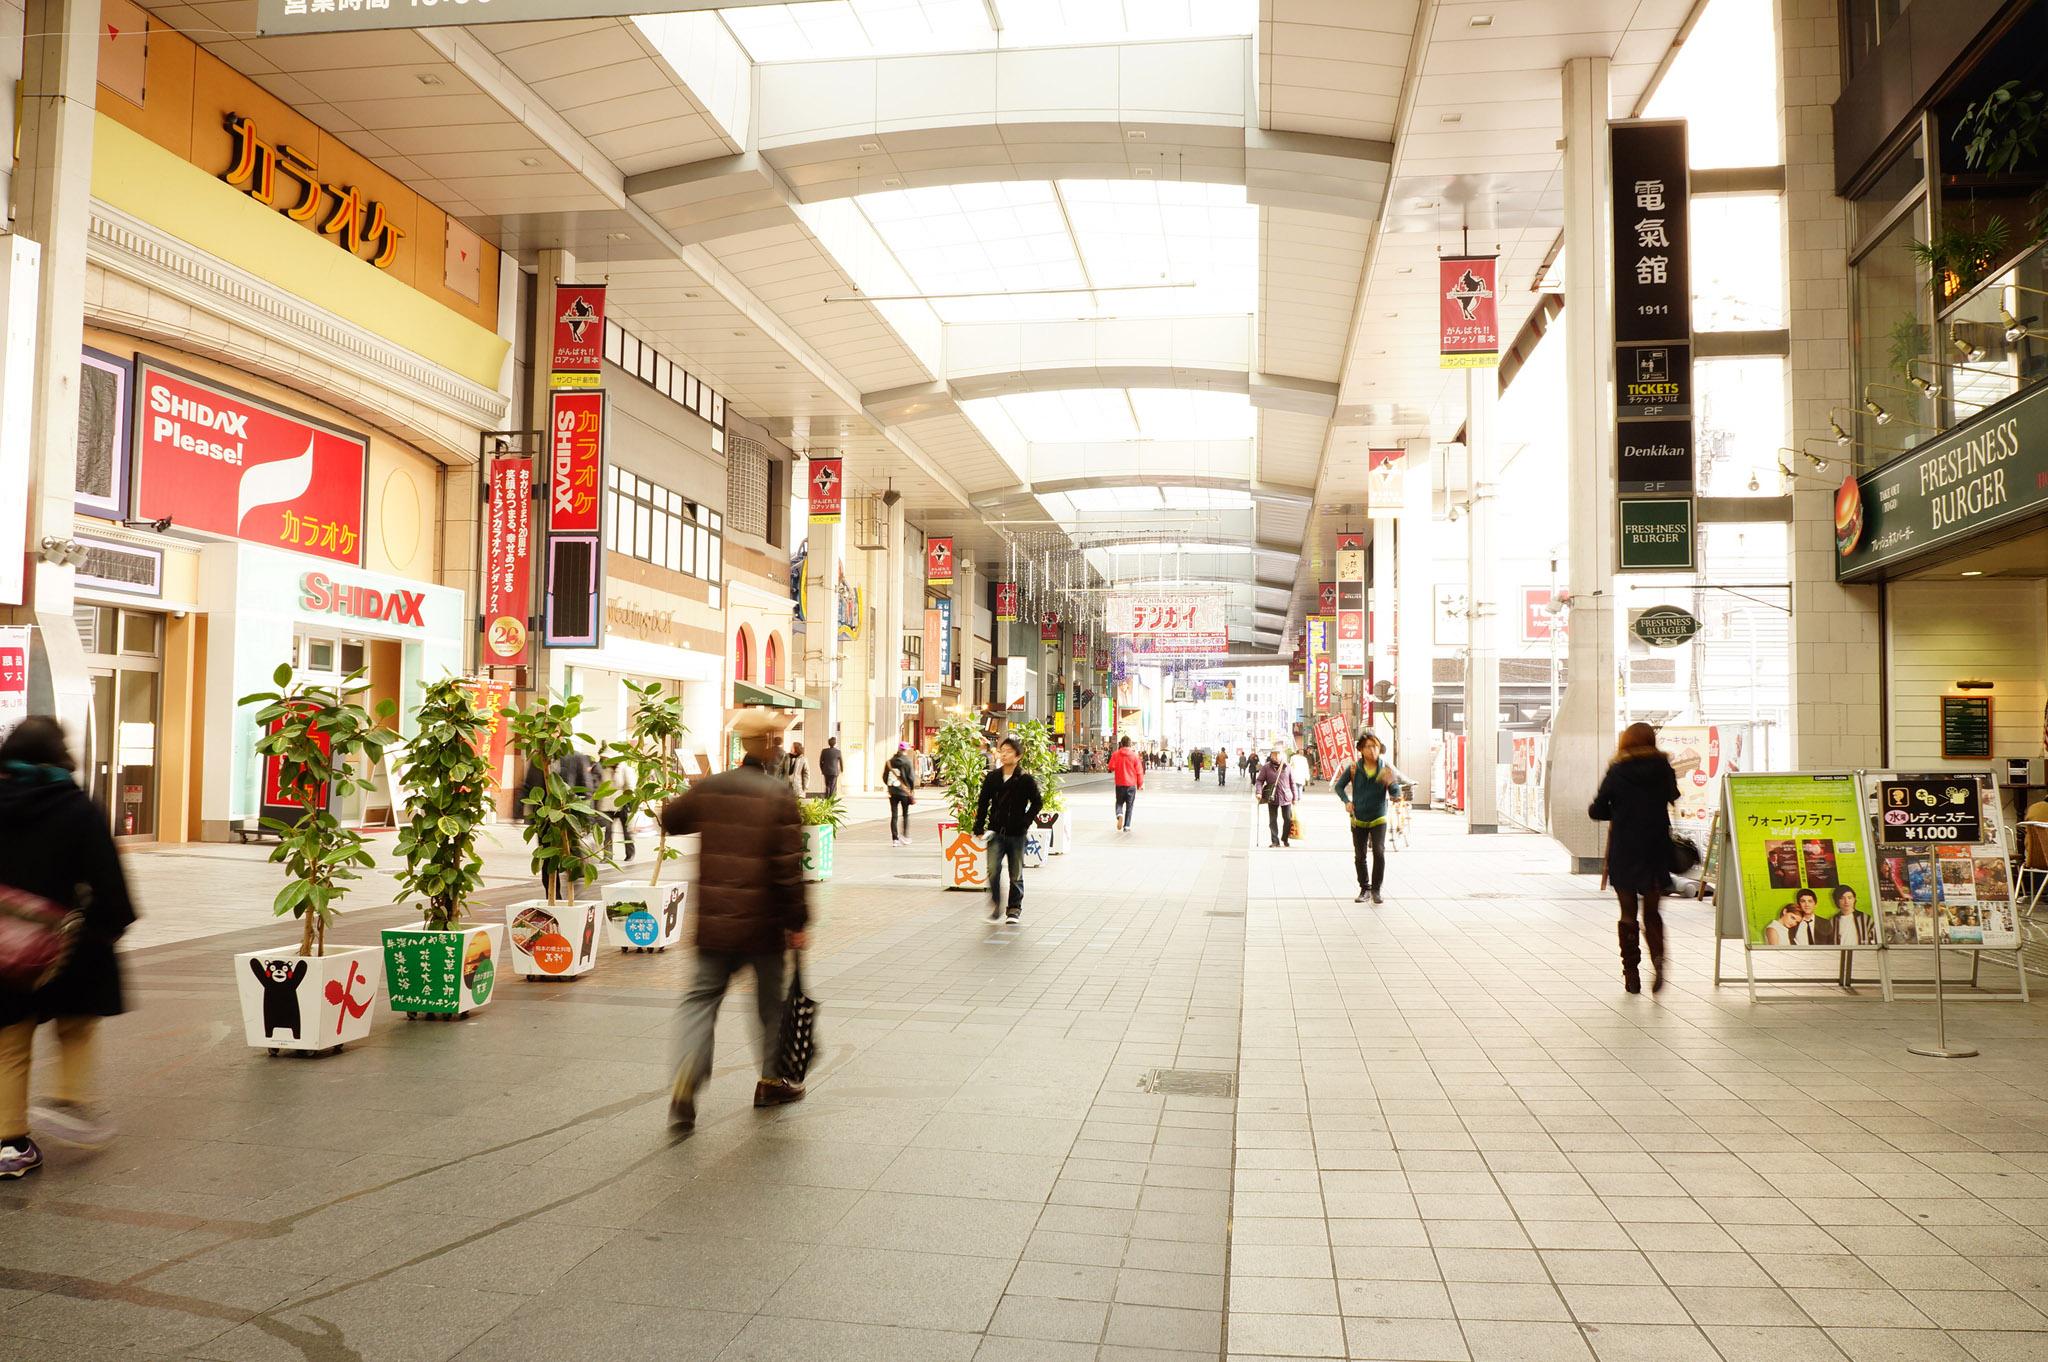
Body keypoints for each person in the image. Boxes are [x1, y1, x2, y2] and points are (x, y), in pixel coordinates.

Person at [658, 708, 809, 1133]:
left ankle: (688, 1072)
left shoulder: (714, 787)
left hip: (715, 926)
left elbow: (670, 820)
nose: (780, 749)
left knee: (700, 1000)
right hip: (763, 928)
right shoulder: (779, 795)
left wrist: (696, 786)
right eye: (776, 742)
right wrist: (798, 921)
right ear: (765, 747)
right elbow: (788, 868)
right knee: (770, 1006)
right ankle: (770, 1080)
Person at [0, 718, 137, 1176]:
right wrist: (106, 930)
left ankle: (10, 1144)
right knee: (76, 1026)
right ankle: (69, 1101)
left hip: (2, 950)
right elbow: (110, 886)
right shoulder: (77, 807)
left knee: (9, 1042)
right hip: (69, 945)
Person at [1587, 721, 1679, 993]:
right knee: (1652, 912)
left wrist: (1617, 810)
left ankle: (1631, 973)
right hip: (1655, 848)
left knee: (1628, 912)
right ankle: (1659, 962)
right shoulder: (1663, 768)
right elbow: (1673, 796)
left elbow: (1597, 809)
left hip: (1626, 849)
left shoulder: (1618, 770)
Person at [973, 737, 1043, 925]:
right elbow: (983, 802)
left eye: (1009, 751)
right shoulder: (993, 777)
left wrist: (1026, 821)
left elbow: (1037, 802)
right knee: (993, 870)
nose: (1004, 754)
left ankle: (1014, 909)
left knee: (1015, 873)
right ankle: (996, 905)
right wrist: (979, 826)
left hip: (1017, 834)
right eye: (1002, 750)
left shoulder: (1025, 779)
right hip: (995, 832)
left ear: (1018, 756)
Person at [1334, 732, 1404, 903]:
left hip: (1378, 816)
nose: (1372, 750)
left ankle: (1376, 890)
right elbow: (1339, 787)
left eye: (1375, 746)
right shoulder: (1354, 768)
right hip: (1358, 818)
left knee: (1379, 852)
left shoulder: (1384, 769)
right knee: (1360, 855)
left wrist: (1395, 795)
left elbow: (1394, 787)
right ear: (1361, 750)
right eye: (1368, 746)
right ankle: (1364, 888)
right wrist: (1346, 801)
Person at [1254, 750, 1299, 848]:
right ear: (1271, 756)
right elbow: (1259, 781)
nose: (1275, 757)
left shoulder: (1287, 767)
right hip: (1272, 796)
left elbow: (1292, 783)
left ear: (1281, 756)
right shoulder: (1266, 767)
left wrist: (1295, 797)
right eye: (1273, 755)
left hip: (1286, 796)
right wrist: (1259, 792)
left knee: (1287, 819)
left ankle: (1285, 838)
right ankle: (1275, 841)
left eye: (1277, 755)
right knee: (1272, 820)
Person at [600, 756, 636, 863]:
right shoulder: (604, 769)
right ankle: (607, 856)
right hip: (607, 804)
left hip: (622, 804)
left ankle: (630, 853)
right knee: (608, 831)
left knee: (626, 831)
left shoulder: (625, 769)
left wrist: (627, 799)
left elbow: (630, 786)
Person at [884, 743, 917, 846]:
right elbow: (911, 777)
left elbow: (885, 776)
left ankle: (895, 839)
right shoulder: (907, 762)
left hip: (893, 792)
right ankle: (905, 837)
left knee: (894, 815)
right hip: (904, 792)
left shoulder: (889, 762)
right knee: (905, 815)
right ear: (905, 750)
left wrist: (890, 787)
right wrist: (911, 789)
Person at [1109, 735, 1144, 832]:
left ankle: (1119, 814)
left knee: (1119, 802)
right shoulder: (1134, 756)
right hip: (1131, 785)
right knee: (1130, 805)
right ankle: (1127, 826)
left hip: (1120, 784)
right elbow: (1139, 771)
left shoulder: (1116, 754)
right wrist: (1140, 784)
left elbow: (1111, 766)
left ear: (1121, 744)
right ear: (1130, 744)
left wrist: (1117, 767)